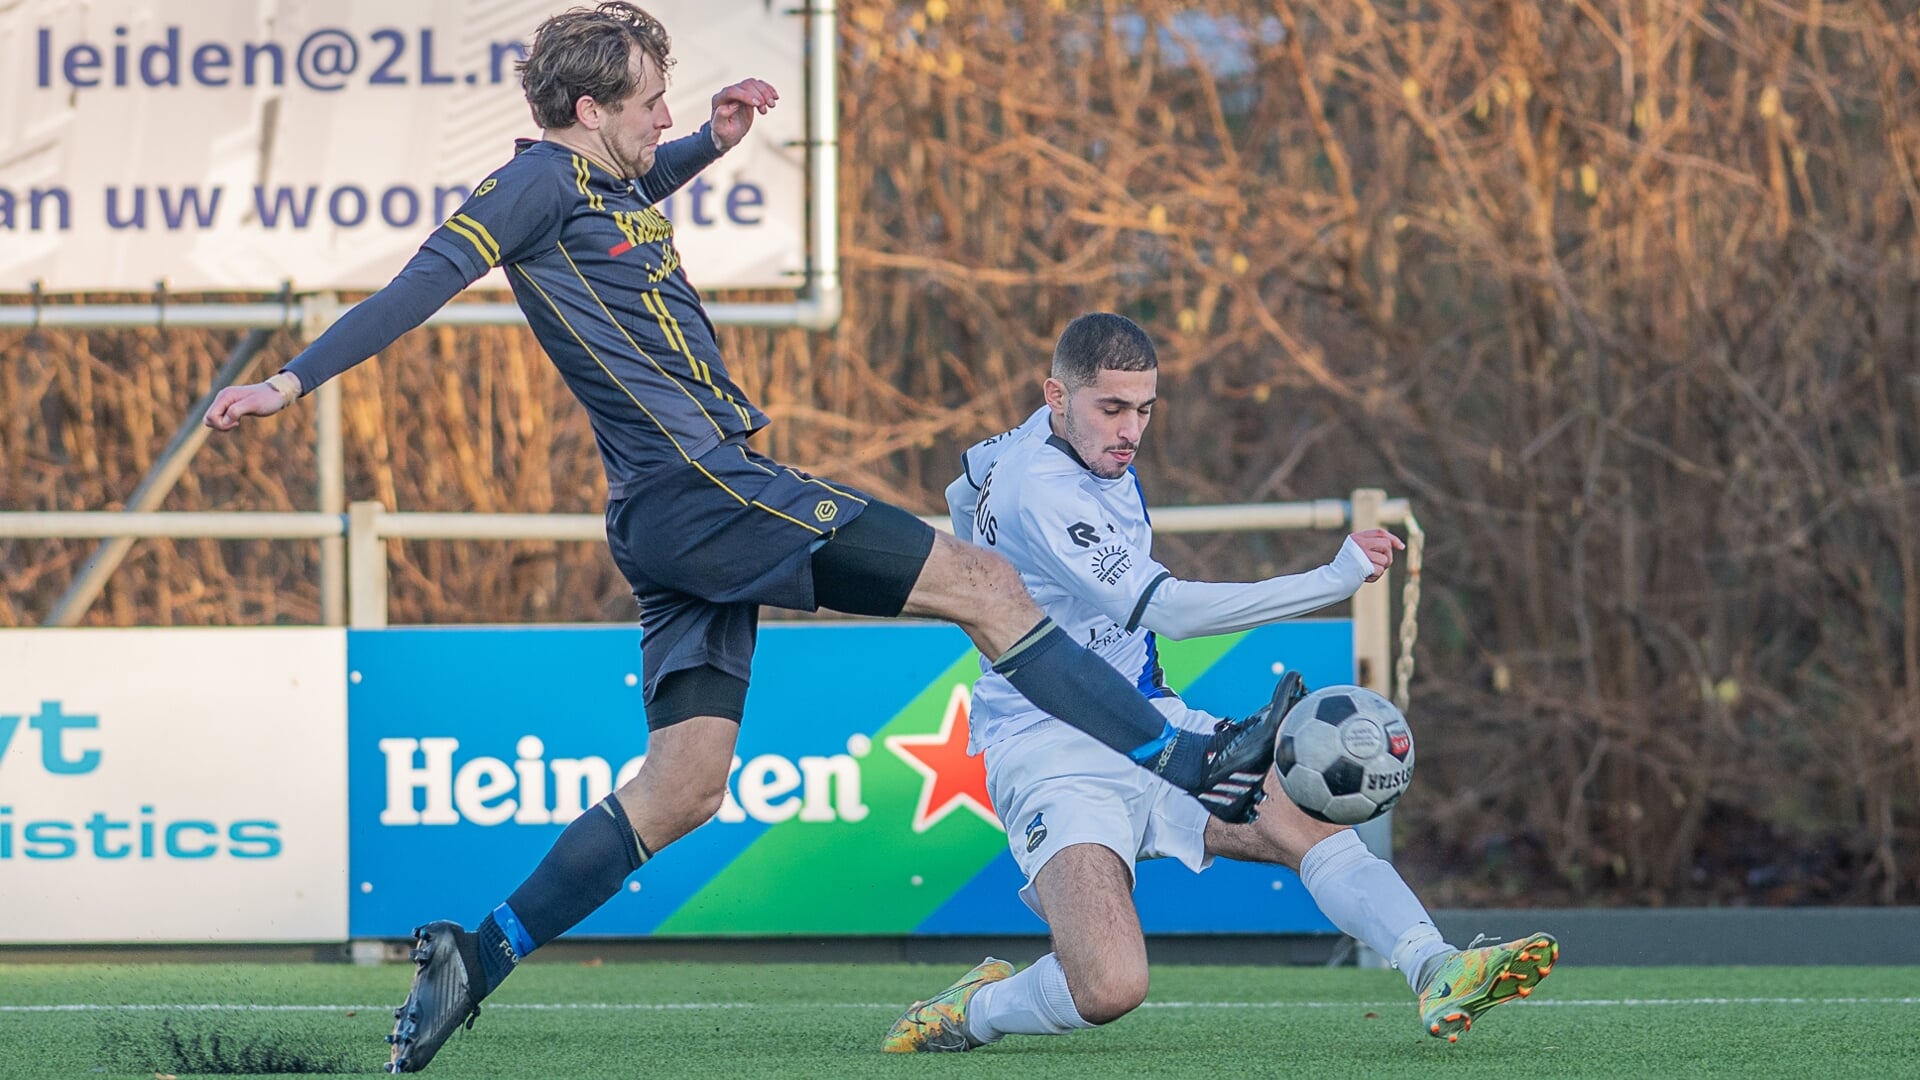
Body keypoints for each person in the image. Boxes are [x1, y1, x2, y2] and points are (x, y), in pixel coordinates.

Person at [202, 4, 1290, 1073]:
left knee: (683, 788)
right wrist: (288, 382)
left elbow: (623, 201)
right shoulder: (534, 180)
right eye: (648, 100)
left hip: (668, 511)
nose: (661, 111)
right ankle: (1184, 756)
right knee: (985, 581)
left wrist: (705, 146)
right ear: (586, 107)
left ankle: (477, 957)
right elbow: (425, 280)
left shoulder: (603, 181)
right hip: (707, 486)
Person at [880, 313, 1557, 1053]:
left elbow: (962, 483)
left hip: (1150, 720)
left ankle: (1438, 967)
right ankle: (971, 1012)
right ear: (1057, 396)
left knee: (1307, 822)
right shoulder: (1041, 488)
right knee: (1108, 988)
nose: (1130, 430)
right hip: (1050, 744)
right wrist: (1332, 580)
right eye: (1111, 408)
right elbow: (1168, 610)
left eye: (1143, 410)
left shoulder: (1036, 447)